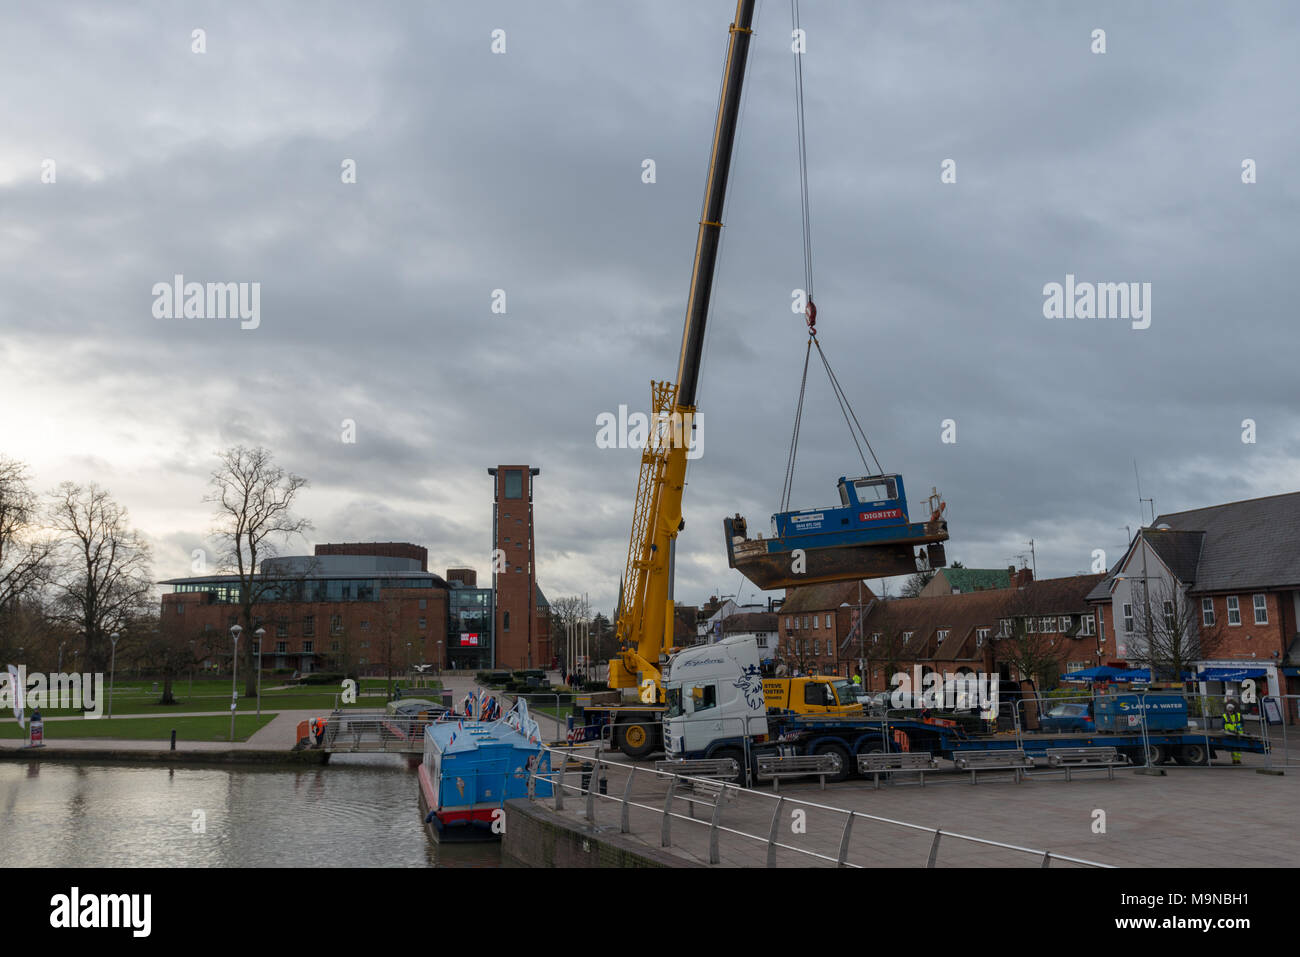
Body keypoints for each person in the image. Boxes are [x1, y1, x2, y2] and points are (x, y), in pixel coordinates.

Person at [1224, 700, 1244, 765]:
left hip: (1238, 733)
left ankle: (1238, 759)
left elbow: (1242, 722)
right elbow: (1223, 724)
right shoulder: (1225, 716)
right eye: (1228, 709)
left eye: (1231, 709)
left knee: (1239, 747)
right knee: (1233, 747)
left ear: (1233, 709)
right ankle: (1234, 760)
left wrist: (1240, 726)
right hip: (1230, 733)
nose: (1230, 710)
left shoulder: (1238, 715)